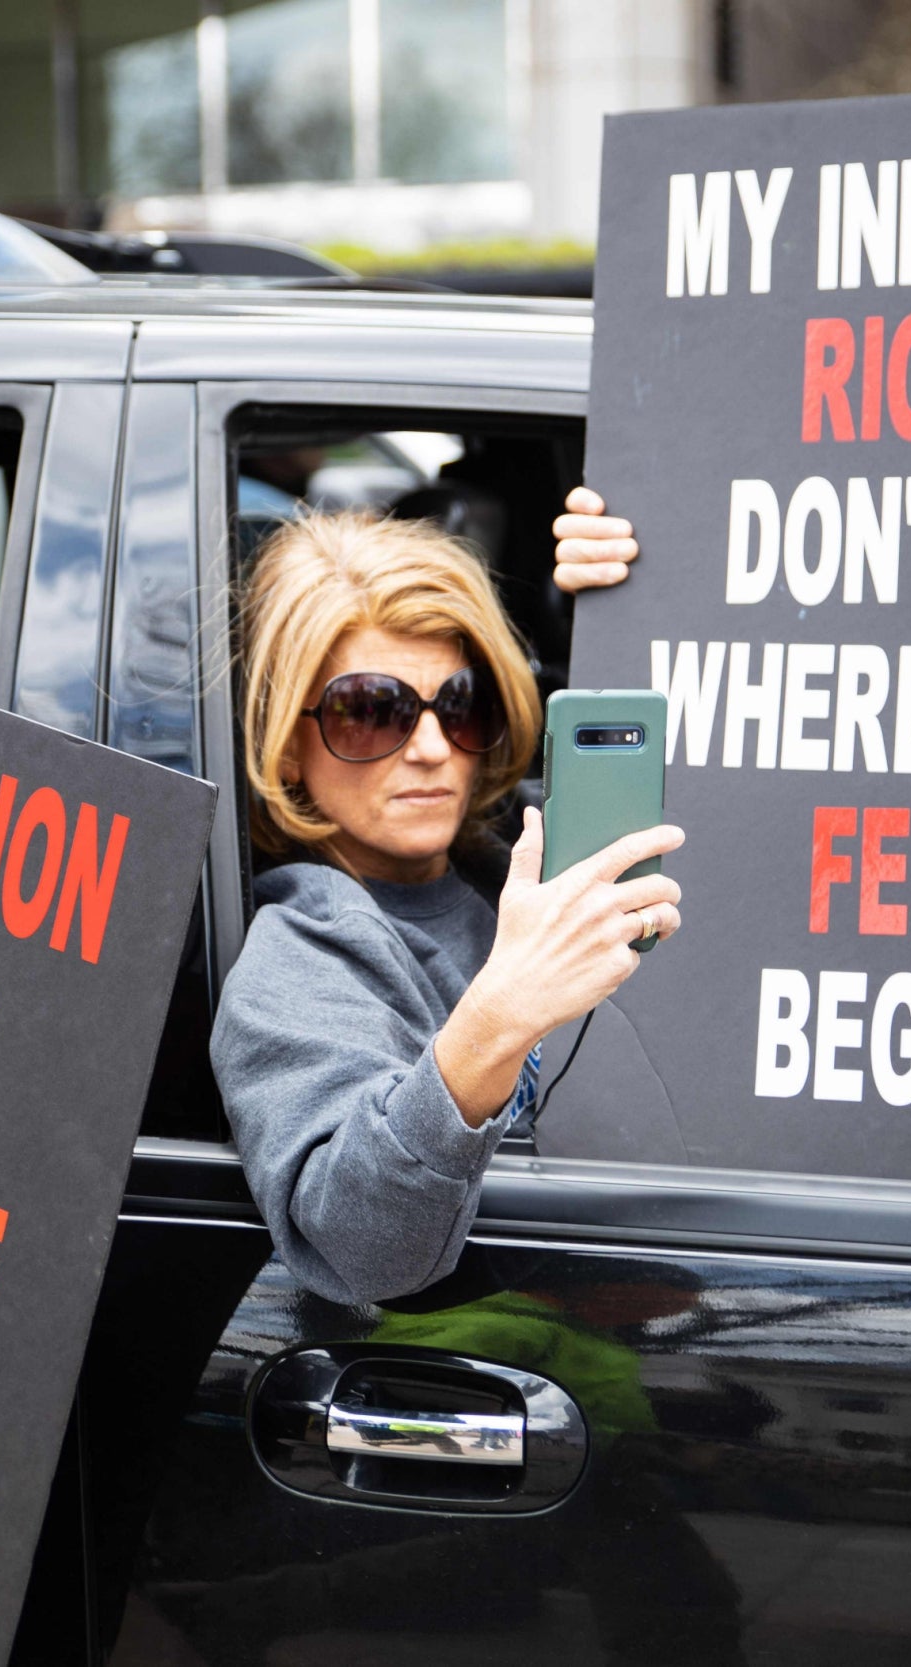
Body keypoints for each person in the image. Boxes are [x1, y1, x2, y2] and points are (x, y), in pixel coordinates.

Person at [211, 511, 684, 1306]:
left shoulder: (520, 860)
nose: (430, 745)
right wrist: (497, 1020)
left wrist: (634, 591)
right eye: (371, 709)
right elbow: (357, 1248)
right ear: (288, 742)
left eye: (460, 703)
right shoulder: (296, 956)